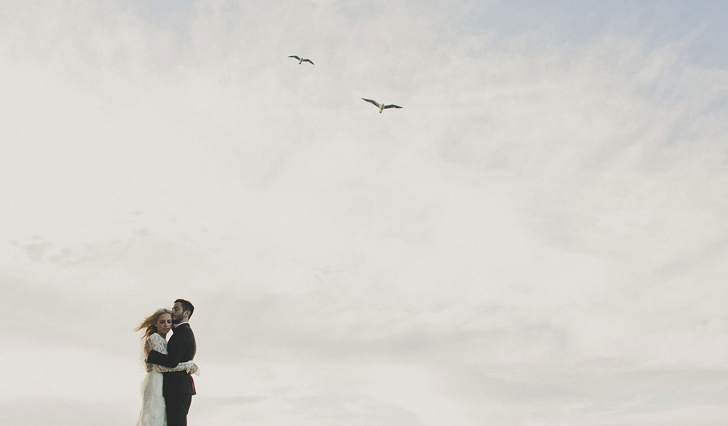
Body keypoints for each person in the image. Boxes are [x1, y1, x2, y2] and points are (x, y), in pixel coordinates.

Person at [135, 308, 199, 426]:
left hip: (164, 384)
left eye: (169, 322)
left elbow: (167, 362)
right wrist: (187, 365)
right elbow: (160, 368)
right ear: (155, 323)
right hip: (157, 382)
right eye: (162, 322)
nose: (166, 325)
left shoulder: (165, 341)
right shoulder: (155, 338)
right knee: (156, 417)